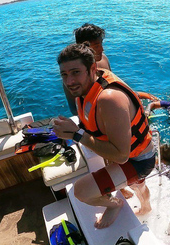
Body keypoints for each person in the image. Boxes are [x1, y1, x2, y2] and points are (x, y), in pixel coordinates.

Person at [52, 43, 155, 229]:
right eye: (64, 74)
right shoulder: (83, 90)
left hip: (138, 159)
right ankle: (124, 193)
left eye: (75, 72)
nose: (69, 82)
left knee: (82, 192)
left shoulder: (109, 99)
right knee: (127, 184)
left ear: (93, 69)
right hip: (118, 151)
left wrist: (76, 135)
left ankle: (133, 206)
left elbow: (122, 156)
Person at [65, 23, 111, 115]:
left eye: (101, 44)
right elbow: (75, 109)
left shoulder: (104, 59)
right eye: (97, 46)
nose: (102, 49)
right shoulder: (74, 75)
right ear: (84, 47)